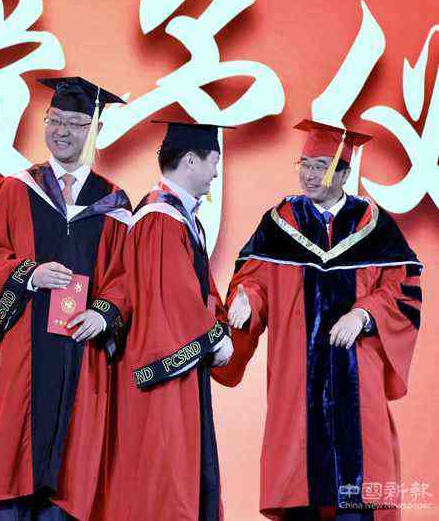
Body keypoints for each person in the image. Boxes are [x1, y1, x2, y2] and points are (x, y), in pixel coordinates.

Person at [218, 120, 423, 520]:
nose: (309, 175)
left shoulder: (373, 225)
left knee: (356, 497)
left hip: (358, 382)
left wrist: (365, 313)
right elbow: (255, 280)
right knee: (302, 494)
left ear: (344, 174)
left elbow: (404, 288)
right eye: (305, 164)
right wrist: (247, 300)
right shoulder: (280, 223)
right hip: (298, 384)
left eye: (321, 167)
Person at [0, 77, 133, 520]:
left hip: (82, 354)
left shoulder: (114, 202)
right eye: (54, 120)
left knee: (69, 475)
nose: (62, 131)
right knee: (13, 465)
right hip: (23, 352)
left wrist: (104, 313)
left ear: (95, 129)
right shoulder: (17, 188)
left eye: (75, 123)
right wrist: (28, 274)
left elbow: (126, 275)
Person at [87, 121, 234, 521]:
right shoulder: (160, 217)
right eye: (214, 161)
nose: (216, 172)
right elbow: (174, 295)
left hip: (177, 363)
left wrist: (221, 324)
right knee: (165, 476)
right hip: (164, 368)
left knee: (178, 470)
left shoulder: (180, 217)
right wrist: (214, 337)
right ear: (191, 160)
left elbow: (196, 290)